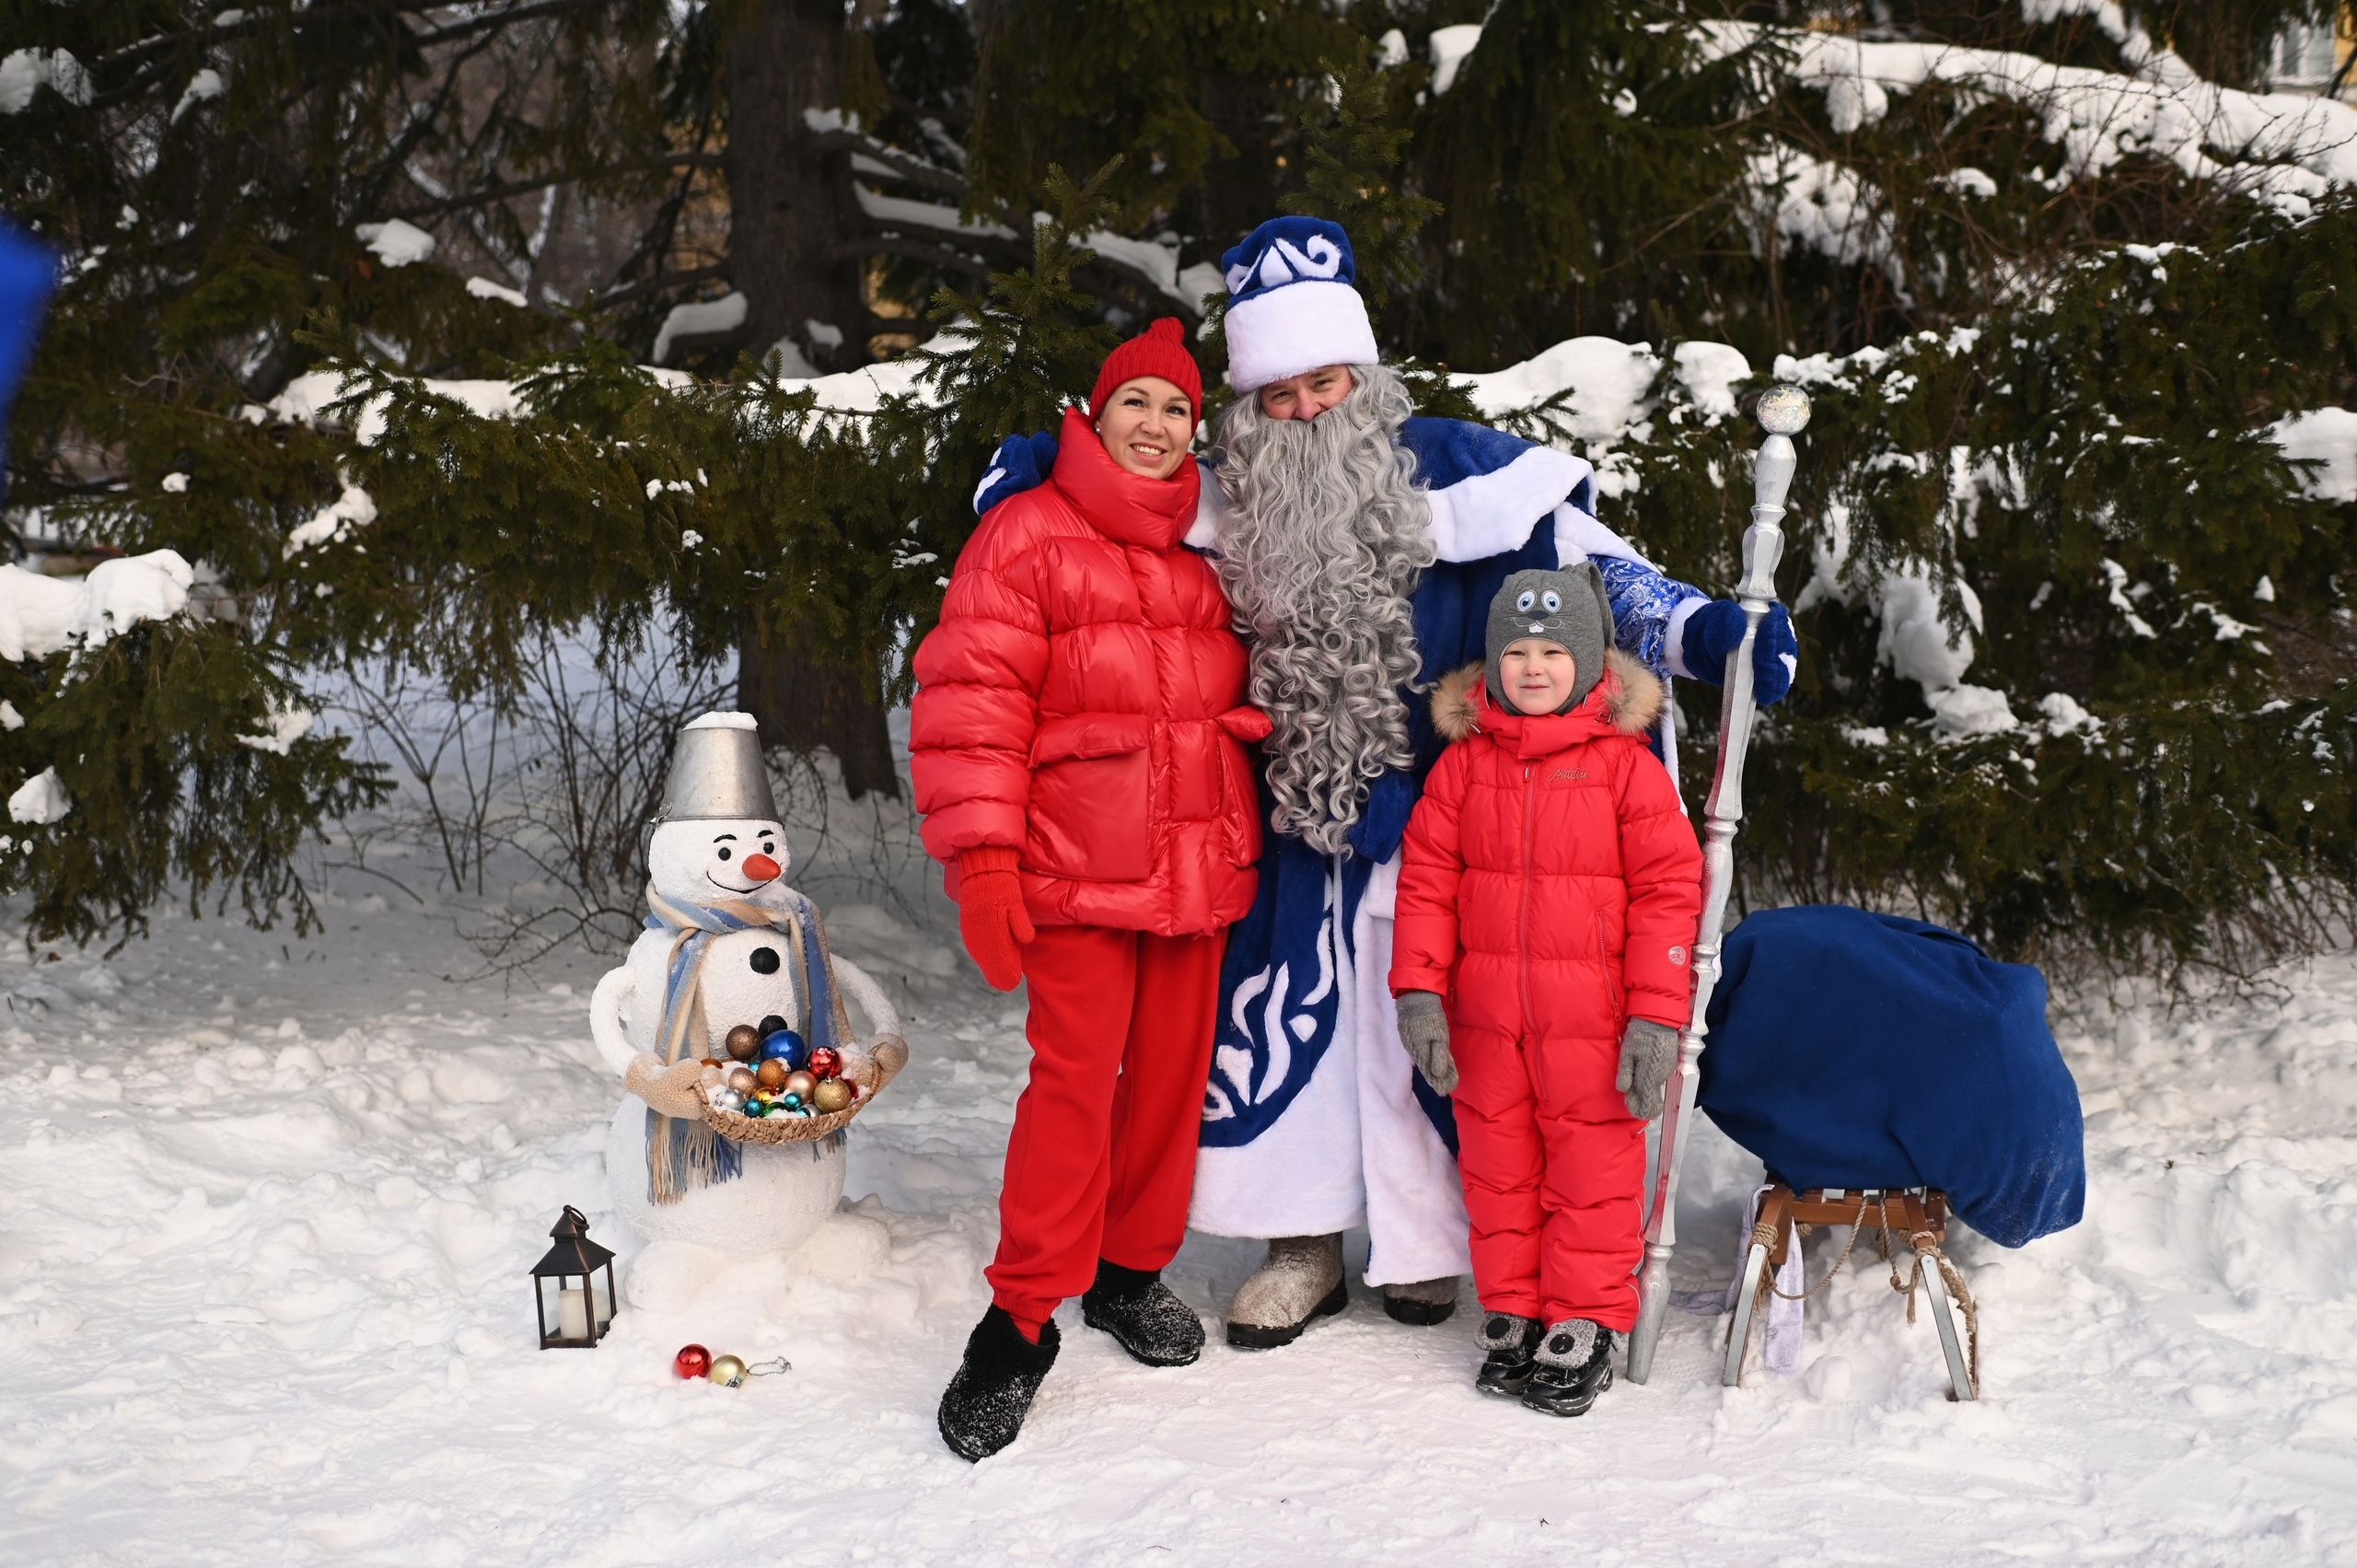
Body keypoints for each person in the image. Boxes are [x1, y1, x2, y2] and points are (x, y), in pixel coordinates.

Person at [970, 215, 1798, 1349]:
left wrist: (1698, 630)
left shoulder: (1460, 470)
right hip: (1275, 826)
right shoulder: (1226, 494)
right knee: (1288, 1033)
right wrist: (1032, 471)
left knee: (1428, 1027)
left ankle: (1424, 1246)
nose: (1307, 408)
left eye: (1326, 382)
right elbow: (1101, 499)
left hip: (1439, 819)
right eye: (1280, 394)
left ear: (1363, 375)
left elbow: (1588, 566)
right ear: (1249, 408)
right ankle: (1300, 1241)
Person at [909, 318, 1271, 1461]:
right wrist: (982, 860)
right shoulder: (1026, 534)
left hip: (1196, 865)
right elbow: (972, 703)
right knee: (1073, 1085)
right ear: (1094, 414)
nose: (1157, 428)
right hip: (1075, 866)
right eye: (1136, 406)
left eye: (1176, 410)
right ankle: (1018, 1323)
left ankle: (1128, 1271)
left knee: (1169, 1078)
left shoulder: (1202, 551)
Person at [1388, 566, 1704, 1416]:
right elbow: (1425, 885)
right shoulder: (1462, 770)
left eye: (1553, 652)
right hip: (1487, 1023)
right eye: (1517, 652)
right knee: (1499, 1172)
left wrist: (1655, 1015)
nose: (1534, 668)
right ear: (1492, 665)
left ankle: (1587, 1317)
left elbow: (1670, 893)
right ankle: (1518, 1308)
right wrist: (1419, 993)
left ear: (1590, 663)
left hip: (1594, 1028)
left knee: (1591, 1173)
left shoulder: (1625, 772)